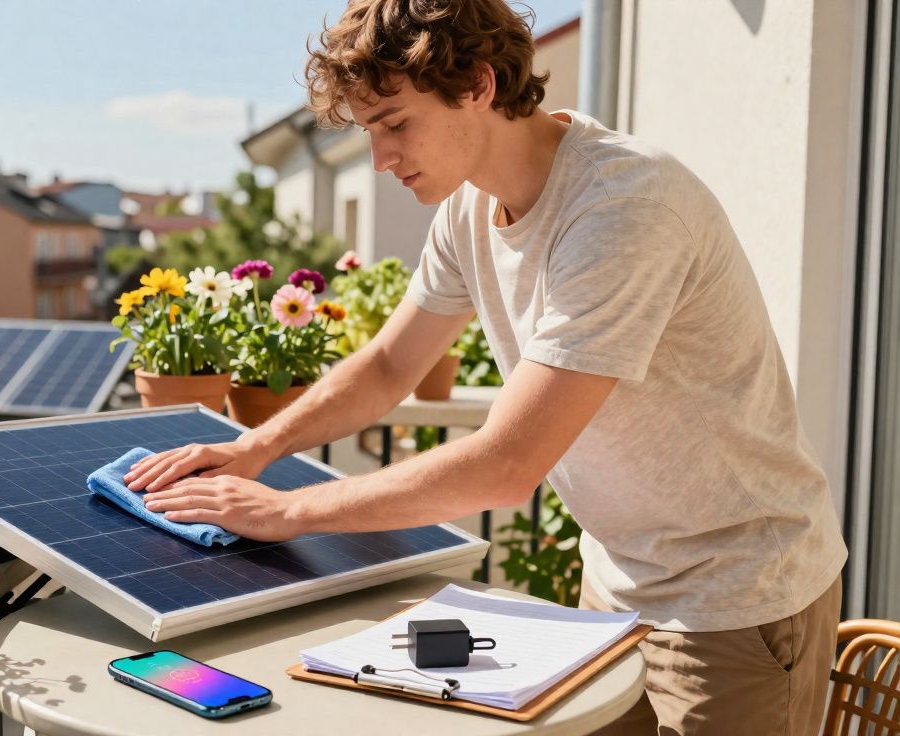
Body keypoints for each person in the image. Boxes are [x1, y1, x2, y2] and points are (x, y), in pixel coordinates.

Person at [123, 1, 847, 733]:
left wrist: (289, 512)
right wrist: (256, 449)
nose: (379, 160)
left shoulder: (624, 207)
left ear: (478, 83)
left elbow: (507, 465)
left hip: (736, 599)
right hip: (617, 583)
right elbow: (385, 368)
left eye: (396, 123)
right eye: (369, 131)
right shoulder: (470, 211)